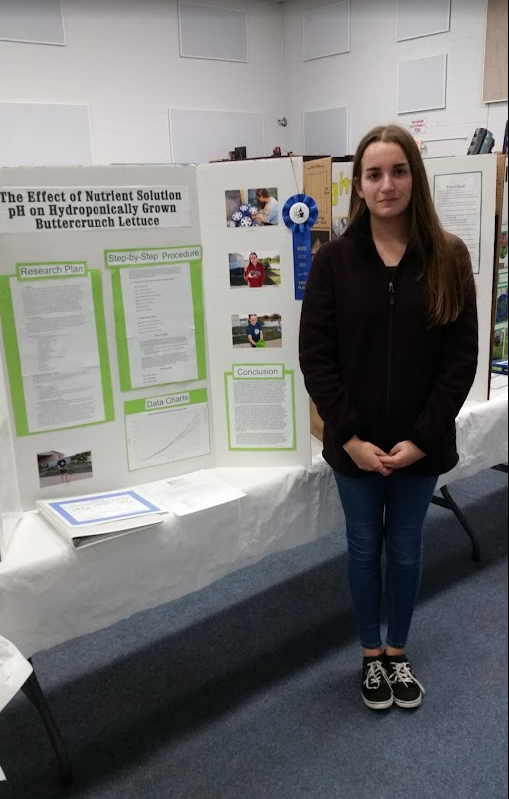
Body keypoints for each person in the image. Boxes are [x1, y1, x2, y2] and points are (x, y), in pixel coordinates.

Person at [298, 124, 478, 712]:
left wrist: (424, 436)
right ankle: (370, 655)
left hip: (418, 446)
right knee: (360, 547)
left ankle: (398, 652)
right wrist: (347, 436)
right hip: (356, 447)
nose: (386, 185)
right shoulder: (333, 262)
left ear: (414, 178)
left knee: (405, 547)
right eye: (373, 174)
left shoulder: (449, 255)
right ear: (359, 186)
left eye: (398, 171)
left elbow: (461, 358)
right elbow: (316, 356)